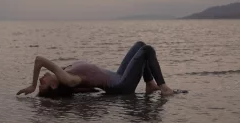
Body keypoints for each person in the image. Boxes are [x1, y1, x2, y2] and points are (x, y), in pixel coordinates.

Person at [16, 41, 175, 98]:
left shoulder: (64, 74)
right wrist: (31, 86)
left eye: (39, 83)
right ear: (53, 85)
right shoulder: (68, 79)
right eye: (42, 84)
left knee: (140, 45)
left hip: (118, 76)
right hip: (121, 85)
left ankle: (149, 84)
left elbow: (89, 88)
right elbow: (39, 60)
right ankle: (163, 87)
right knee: (147, 50)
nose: (40, 80)